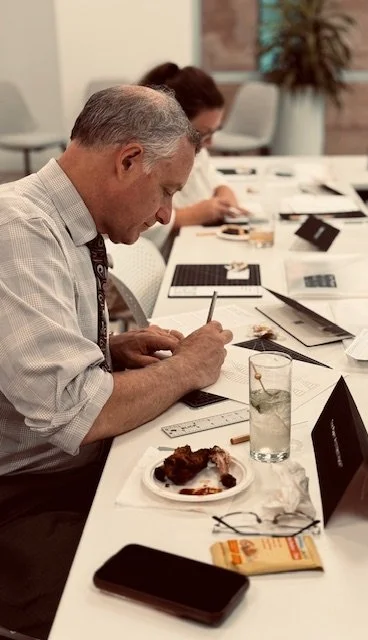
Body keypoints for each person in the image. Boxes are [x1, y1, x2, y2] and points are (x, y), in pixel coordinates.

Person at [0, 85, 233, 639]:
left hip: (58, 471)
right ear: (128, 160)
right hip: (22, 498)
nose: (166, 214)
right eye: (167, 191)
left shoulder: (64, 220)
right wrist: (188, 368)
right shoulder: (19, 231)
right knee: (173, 607)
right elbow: (73, 413)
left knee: (217, 520)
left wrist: (104, 349)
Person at [139, 62, 245, 229]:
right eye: (203, 134)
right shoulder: (144, 160)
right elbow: (133, 223)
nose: (210, 142)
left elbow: (210, 174)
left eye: (214, 131)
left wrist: (223, 190)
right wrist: (187, 216)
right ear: (169, 125)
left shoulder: (193, 145)